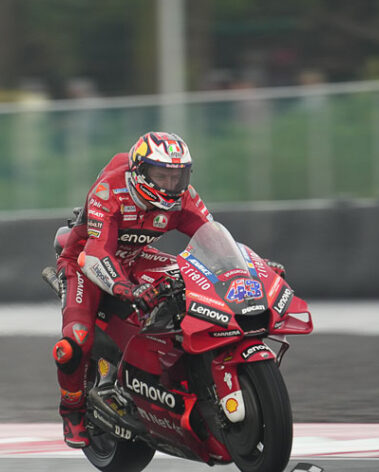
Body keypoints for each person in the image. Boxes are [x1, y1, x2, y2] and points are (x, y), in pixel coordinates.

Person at [51, 131, 284, 448]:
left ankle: (176, 371)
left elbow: (213, 239)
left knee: (191, 283)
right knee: (75, 340)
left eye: (178, 176)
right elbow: (97, 254)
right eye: (162, 175)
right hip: (84, 263)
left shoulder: (184, 196)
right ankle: (73, 411)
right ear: (140, 172)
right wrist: (124, 288)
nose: (171, 185)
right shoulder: (110, 192)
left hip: (137, 257)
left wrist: (250, 268)